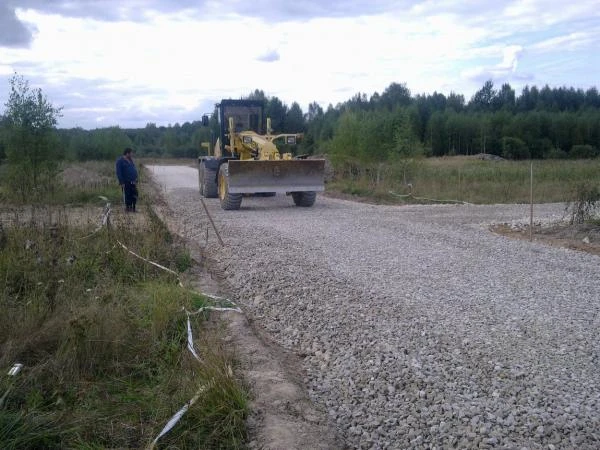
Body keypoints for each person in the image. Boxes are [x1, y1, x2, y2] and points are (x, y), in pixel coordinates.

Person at [115, 147, 138, 212]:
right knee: (127, 195)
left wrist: (136, 178)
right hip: (126, 182)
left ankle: (133, 208)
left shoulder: (131, 160)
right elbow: (118, 172)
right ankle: (128, 208)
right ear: (127, 153)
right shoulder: (120, 161)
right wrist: (121, 182)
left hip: (133, 181)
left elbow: (134, 169)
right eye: (131, 153)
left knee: (135, 194)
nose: (132, 154)